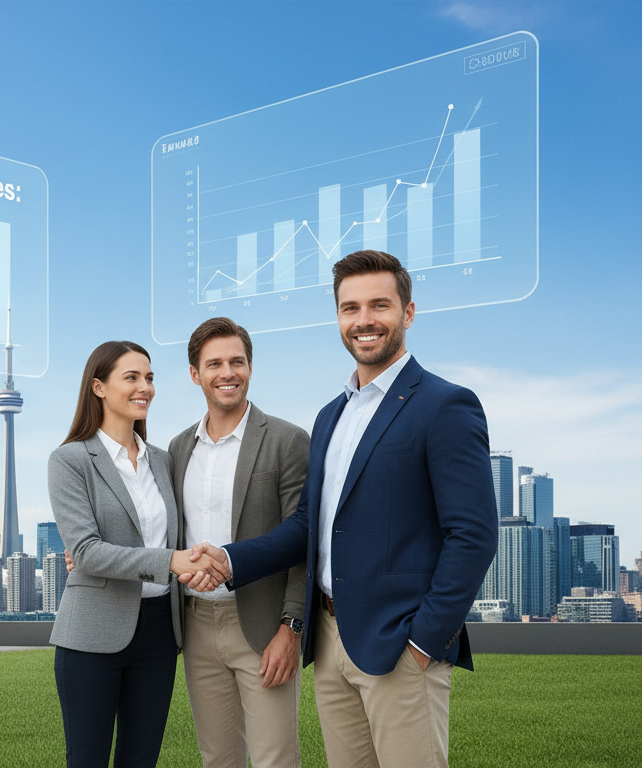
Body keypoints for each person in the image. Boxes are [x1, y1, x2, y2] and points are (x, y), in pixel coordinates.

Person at [186, 250, 498, 768]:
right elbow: (309, 525)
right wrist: (229, 558)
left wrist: (423, 641)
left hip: (400, 645)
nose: (364, 320)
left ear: (409, 312)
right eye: (350, 308)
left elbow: (473, 535)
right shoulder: (331, 415)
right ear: (337, 318)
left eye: (380, 305)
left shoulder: (444, 405)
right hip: (331, 642)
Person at [48, 340, 207, 768]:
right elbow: (84, 551)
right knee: (87, 760)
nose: (146, 388)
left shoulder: (163, 460)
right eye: (132, 377)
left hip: (158, 632)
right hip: (92, 633)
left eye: (150, 378)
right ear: (98, 387)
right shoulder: (70, 460)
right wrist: (168, 561)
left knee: (141, 760)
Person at [170, 317, 309, 768]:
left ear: (250, 367)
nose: (227, 372)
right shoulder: (176, 450)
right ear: (195, 374)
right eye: (215, 364)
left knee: (275, 759)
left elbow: (302, 539)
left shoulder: (287, 441)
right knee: (217, 759)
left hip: (264, 625)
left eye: (237, 361)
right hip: (196, 626)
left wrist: (291, 629)